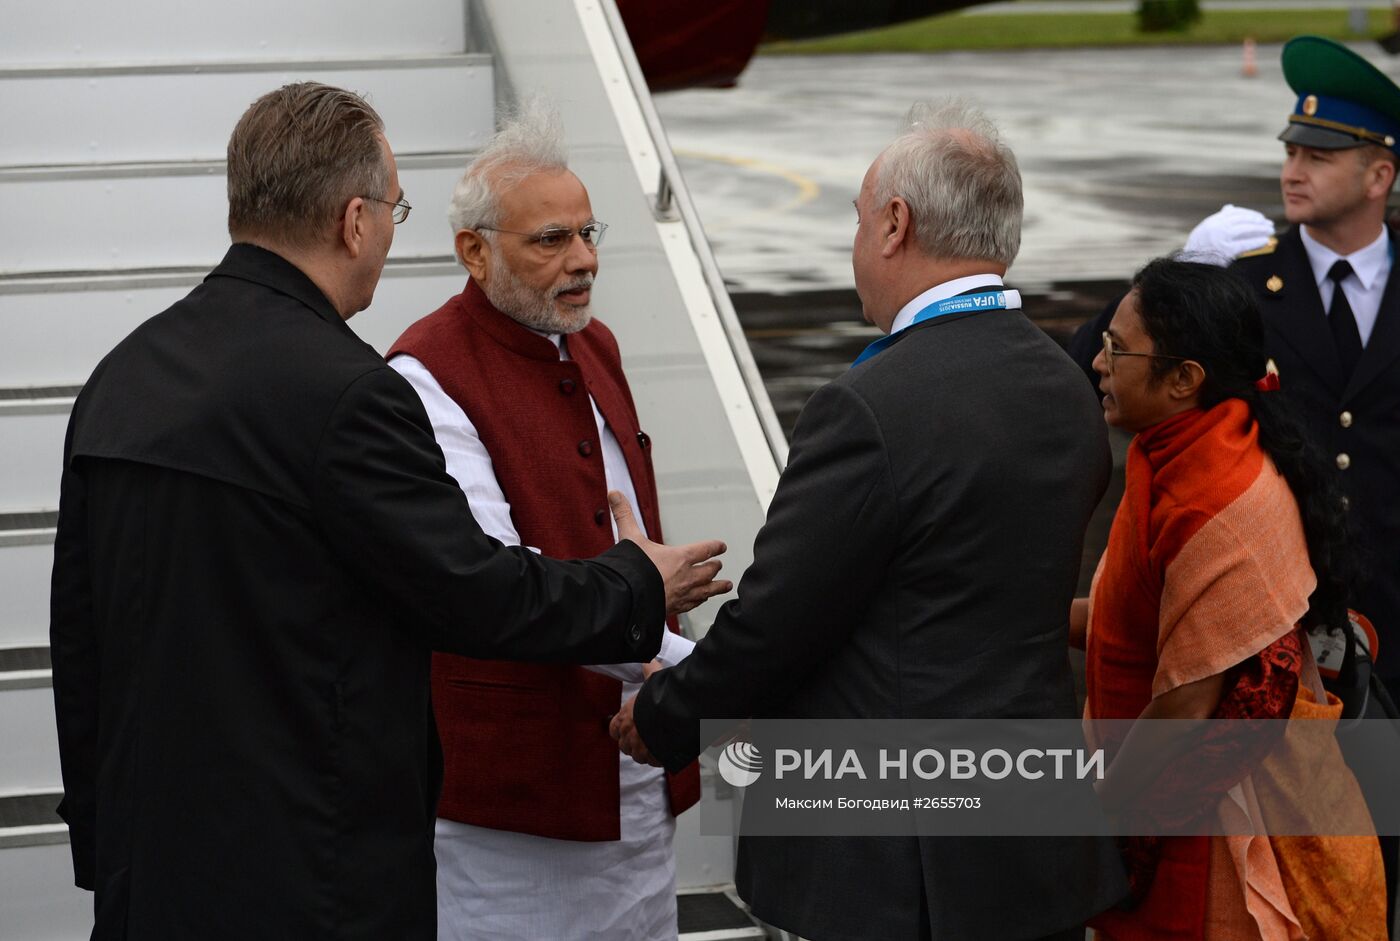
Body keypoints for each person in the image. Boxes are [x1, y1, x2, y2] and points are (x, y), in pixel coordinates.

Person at [48, 82, 729, 940]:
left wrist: (104, 846)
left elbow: (79, 637)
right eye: (395, 210)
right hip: (308, 874)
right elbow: (477, 594)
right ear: (355, 220)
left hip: (152, 870)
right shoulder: (351, 393)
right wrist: (636, 583)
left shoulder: (122, 378)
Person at [611, 99, 1127, 940]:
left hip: (894, 859)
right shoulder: (1063, 387)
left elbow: (779, 622)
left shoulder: (872, 405)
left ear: (895, 224)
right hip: (1029, 841)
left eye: (857, 221)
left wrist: (668, 716)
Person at [385, 104, 704, 939]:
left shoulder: (594, 343)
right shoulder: (426, 375)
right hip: (517, 815)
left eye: (587, 232)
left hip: (636, 772)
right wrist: (706, 661)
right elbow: (496, 582)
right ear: (473, 251)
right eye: (551, 240)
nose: (585, 259)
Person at [1077, 257, 1386, 939]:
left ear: (1184, 379)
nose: (1099, 363)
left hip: (1212, 824)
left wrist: (1101, 810)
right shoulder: (1172, 451)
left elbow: (1187, 700)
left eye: (1116, 348)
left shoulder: (1217, 492)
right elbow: (1130, 616)